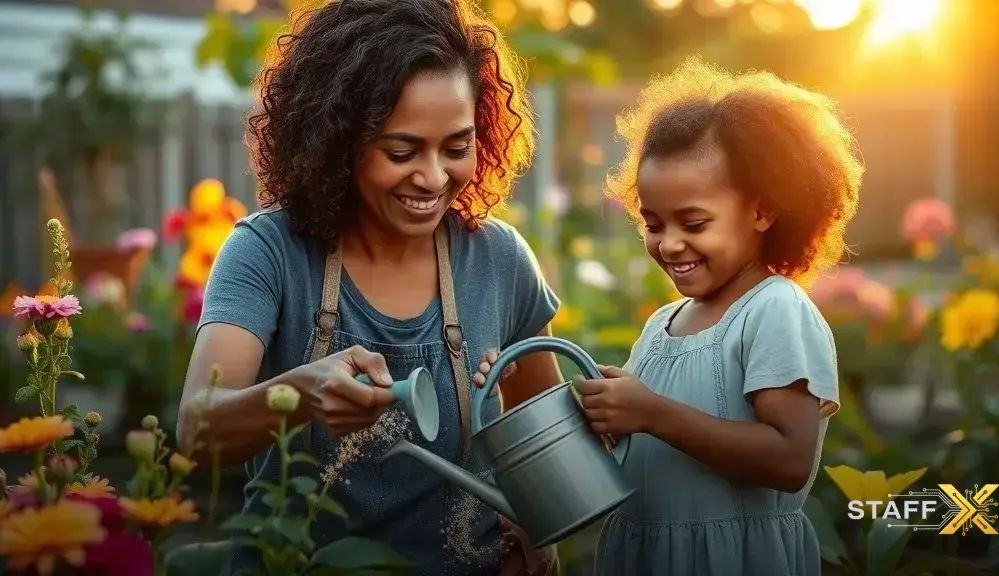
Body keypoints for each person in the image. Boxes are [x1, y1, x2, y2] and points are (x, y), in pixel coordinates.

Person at [174, 1, 564, 574]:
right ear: (338, 141)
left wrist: (538, 527)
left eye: (456, 147)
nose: (433, 178)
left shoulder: (499, 260)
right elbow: (197, 428)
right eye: (401, 151)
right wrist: (301, 393)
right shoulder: (270, 253)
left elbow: (548, 447)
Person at [481, 56, 863, 575]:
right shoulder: (662, 326)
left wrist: (652, 414)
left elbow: (789, 459)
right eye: (653, 222)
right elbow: (647, 443)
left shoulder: (774, 310)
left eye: (695, 222)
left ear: (762, 210)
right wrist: (602, 417)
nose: (670, 243)